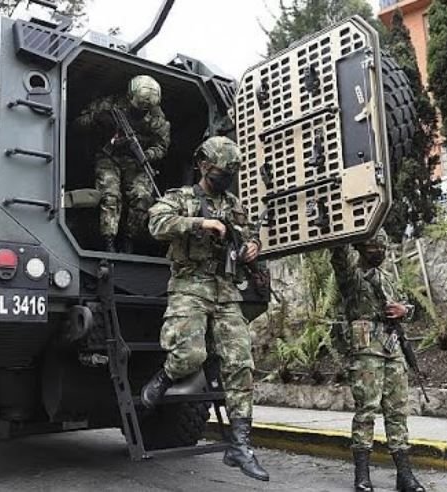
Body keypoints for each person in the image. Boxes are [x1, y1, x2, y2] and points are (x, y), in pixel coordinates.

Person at [141, 136, 269, 482]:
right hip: (190, 285)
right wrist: (200, 223)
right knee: (190, 356)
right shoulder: (181, 197)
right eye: (220, 172)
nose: (225, 178)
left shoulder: (234, 204)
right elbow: (156, 223)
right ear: (203, 166)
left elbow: (248, 235)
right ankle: (165, 376)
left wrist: (252, 246)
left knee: (240, 363)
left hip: (225, 289)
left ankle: (240, 445)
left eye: (230, 174)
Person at [330, 230, 426, 492]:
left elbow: (408, 306)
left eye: (382, 248)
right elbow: (339, 254)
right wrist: (341, 229)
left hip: (393, 348)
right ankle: (362, 476)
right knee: (367, 410)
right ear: (361, 248)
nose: (379, 253)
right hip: (366, 349)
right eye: (373, 248)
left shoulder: (388, 277)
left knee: (398, 412)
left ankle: (404, 475)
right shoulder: (351, 275)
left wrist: (404, 310)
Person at [74, 74, 170, 253]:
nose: (142, 111)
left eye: (146, 109)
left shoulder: (157, 119)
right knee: (110, 195)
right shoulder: (109, 105)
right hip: (108, 157)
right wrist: (97, 119)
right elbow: (78, 124)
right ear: (130, 96)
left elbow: (161, 147)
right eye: (139, 106)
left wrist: (146, 154)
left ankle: (129, 240)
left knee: (142, 197)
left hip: (136, 161)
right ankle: (108, 241)